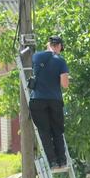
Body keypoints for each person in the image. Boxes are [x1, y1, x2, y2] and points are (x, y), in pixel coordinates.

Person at [29, 35, 69, 169]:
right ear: (58, 46)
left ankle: (52, 162)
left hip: (37, 100)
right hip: (54, 101)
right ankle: (62, 161)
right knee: (57, 131)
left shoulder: (36, 57)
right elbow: (65, 85)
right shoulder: (60, 61)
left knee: (44, 132)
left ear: (49, 44)